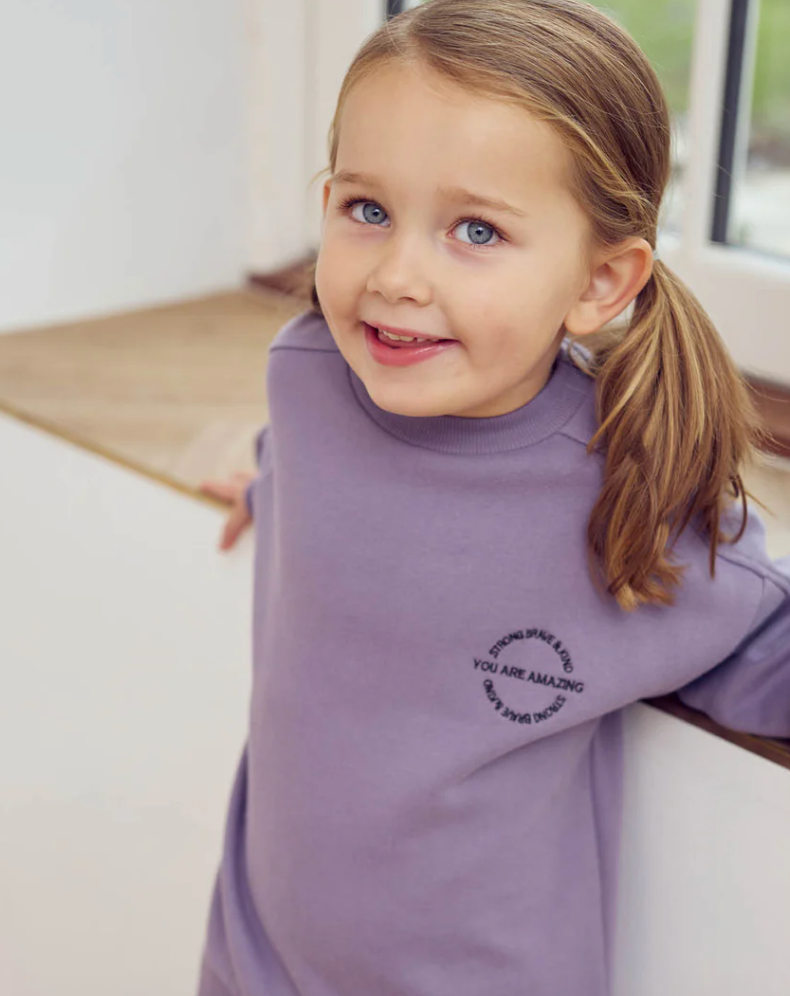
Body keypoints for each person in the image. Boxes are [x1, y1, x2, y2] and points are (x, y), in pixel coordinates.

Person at [195, 2, 790, 994]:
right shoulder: (304, 374)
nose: (395, 275)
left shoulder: (620, 488)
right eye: (366, 209)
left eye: (474, 230)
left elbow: (760, 646)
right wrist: (274, 482)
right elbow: (331, 479)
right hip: (255, 961)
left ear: (601, 282)